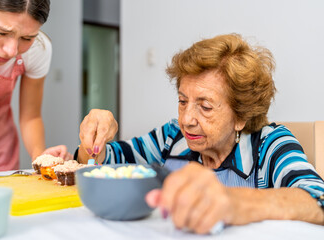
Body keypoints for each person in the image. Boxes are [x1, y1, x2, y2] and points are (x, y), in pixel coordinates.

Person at [76, 33, 324, 234]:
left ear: (241, 117)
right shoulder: (172, 136)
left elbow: (317, 199)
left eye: (205, 107)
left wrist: (232, 202)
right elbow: (104, 162)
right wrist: (94, 138)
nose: (186, 120)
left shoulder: (269, 143)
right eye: (183, 101)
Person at [0, 0, 72, 174]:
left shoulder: (38, 49)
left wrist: (40, 157)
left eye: (27, 38)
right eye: (1, 32)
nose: (12, 50)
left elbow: (31, 117)